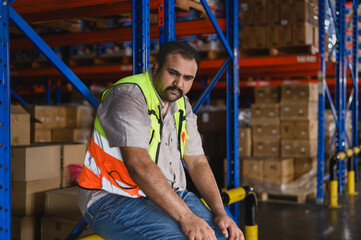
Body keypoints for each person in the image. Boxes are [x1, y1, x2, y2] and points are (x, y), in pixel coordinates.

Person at [78, 41, 244, 240]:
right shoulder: (127, 96)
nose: (179, 84)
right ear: (156, 67)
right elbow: (138, 164)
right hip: (113, 200)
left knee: (225, 236)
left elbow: (197, 161)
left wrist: (221, 213)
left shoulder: (182, 104)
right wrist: (186, 217)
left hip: (167, 193)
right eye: (173, 73)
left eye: (187, 78)